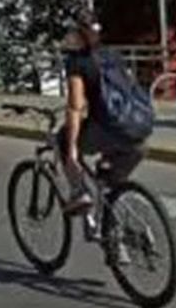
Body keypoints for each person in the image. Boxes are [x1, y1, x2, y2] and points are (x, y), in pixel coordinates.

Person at [58, 17, 149, 261]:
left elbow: (75, 106)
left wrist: (72, 152)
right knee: (110, 186)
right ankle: (114, 239)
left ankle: (79, 192)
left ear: (79, 35)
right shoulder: (113, 56)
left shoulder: (77, 62)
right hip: (138, 133)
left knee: (62, 139)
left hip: (108, 129)